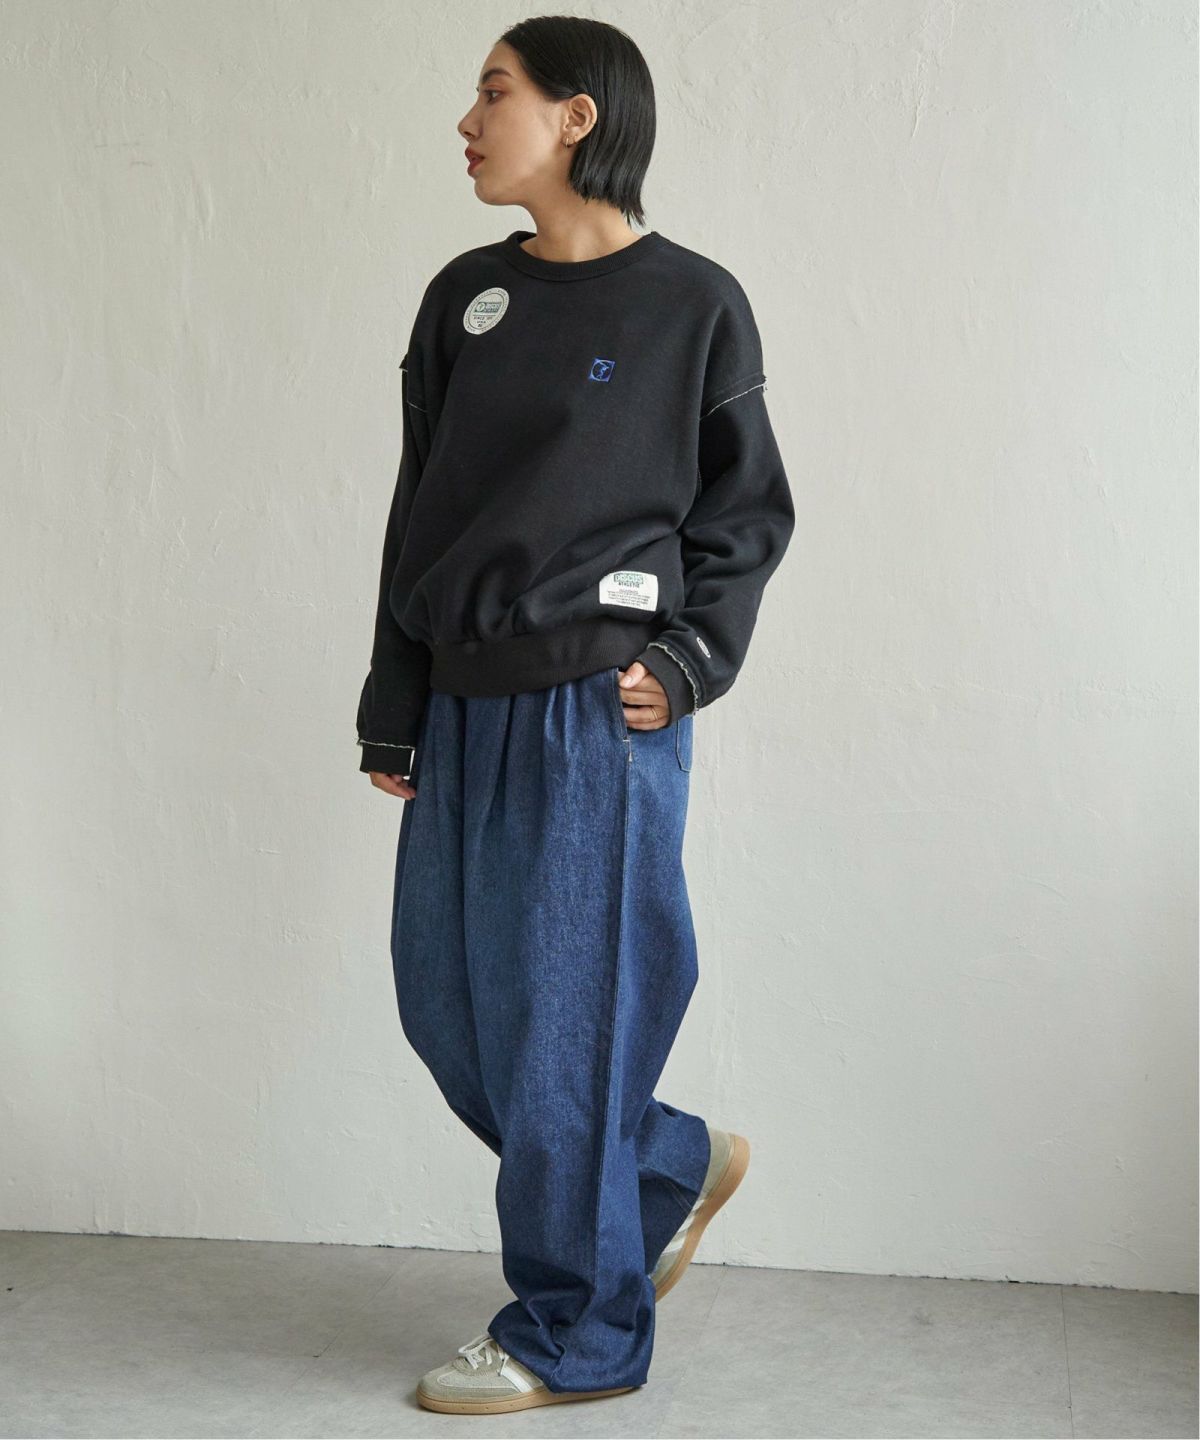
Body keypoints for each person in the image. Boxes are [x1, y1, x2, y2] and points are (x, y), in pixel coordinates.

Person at [355, 14, 795, 1416]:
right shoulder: (463, 300)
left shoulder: (694, 305)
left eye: (496, 93)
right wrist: (396, 702)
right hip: (464, 704)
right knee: (452, 1012)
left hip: (597, 712)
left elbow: (745, 515)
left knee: (562, 1035)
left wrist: (694, 656)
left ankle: (576, 1333)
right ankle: (667, 1163)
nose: (469, 121)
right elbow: (418, 510)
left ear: (579, 115)